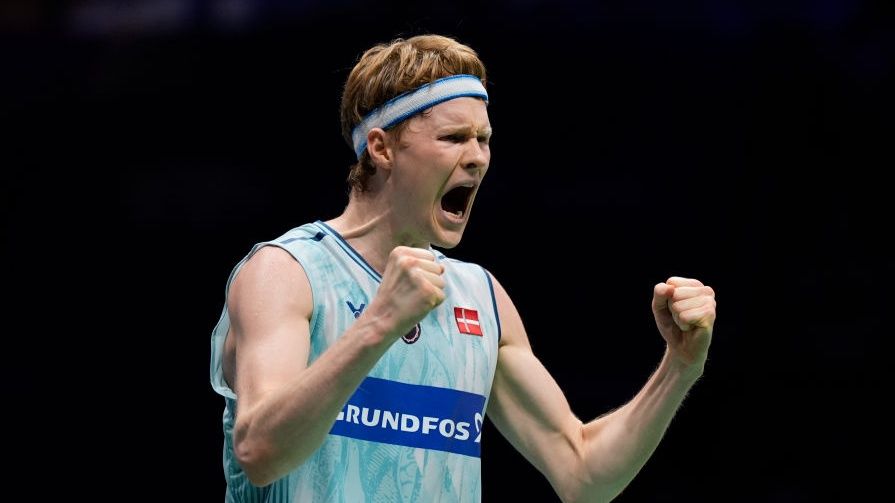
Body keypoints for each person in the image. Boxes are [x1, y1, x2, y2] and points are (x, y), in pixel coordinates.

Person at [209, 34, 717, 502]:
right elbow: (260, 452)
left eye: (484, 139)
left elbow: (582, 472)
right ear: (382, 148)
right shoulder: (287, 271)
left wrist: (679, 368)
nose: (478, 159)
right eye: (454, 138)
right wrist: (380, 324)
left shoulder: (479, 296)